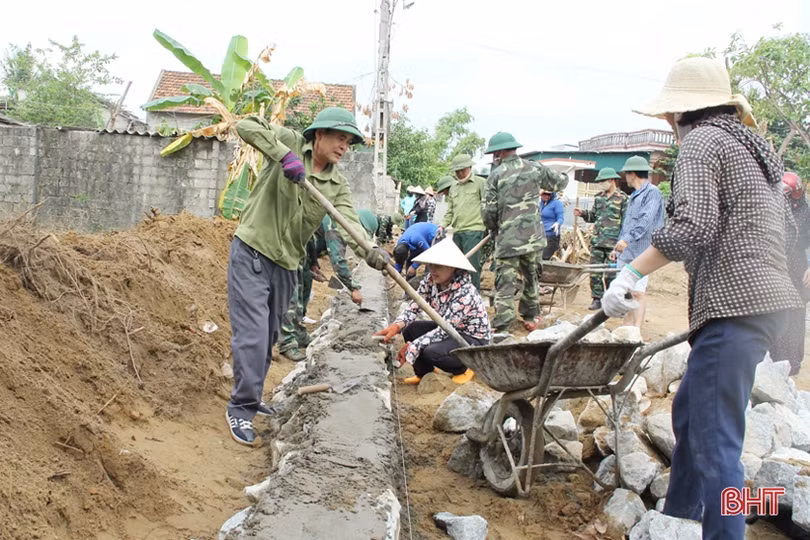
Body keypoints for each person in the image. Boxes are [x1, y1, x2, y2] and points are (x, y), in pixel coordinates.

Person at [602, 57, 803, 540]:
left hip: (735, 309)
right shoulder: (752, 150)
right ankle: (683, 516)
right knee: (691, 412)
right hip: (766, 306)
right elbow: (788, 232)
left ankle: (724, 530)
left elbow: (692, 227)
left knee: (718, 445)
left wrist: (628, 273)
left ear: (676, 114)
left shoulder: (702, 143)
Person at [227, 107, 390, 446]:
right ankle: (240, 408)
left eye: (349, 142)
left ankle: (254, 397)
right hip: (254, 251)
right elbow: (245, 125)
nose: (344, 147)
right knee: (253, 334)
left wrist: (371, 252)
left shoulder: (336, 184)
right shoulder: (288, 141)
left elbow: (351, 225)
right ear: (319, 135)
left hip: (287, 263)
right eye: (340, 139)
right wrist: (283, 155)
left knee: (270, 334)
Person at [482, 131, 568, 332]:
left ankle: (503, 324)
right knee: (531, 277)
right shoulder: (534, 168)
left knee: (506, 281)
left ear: (500, 152)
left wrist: (494, 228)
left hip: (508, 240)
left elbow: (488, 212)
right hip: (533, 238)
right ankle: (530, 318)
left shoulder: (495, 175)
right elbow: (560, 183)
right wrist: (563, 175)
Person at [374, 238, 490, 385]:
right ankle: (425, 374)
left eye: (438, 266)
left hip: (471, 338)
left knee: (431, 352)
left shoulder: (464, 292)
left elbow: (445, 329)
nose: (432, 270)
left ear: (452, 267)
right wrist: (396, 326)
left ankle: (464, 367)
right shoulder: (431, 281)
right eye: (431, 265)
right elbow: (415, 305)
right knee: (411, 330)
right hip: (449, 329)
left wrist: (412, 347)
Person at [278, 210, 378, 361]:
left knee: (302, 290)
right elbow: (338, 262)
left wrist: (312, 263)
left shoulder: (338, 223)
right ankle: (286, 342)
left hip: (302, 250)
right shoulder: (337, 226)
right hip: (289, 247)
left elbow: (311, 238)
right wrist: (354, 288)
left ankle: (299, 334)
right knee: (292, 295)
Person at [610, 155, 664, 328]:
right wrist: (618, 246)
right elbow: (627, 225)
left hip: (642, 251)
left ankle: (637, 330)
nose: (625, 177)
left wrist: (627, 239)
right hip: (627, 251)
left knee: (638, 292)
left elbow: (645, 220)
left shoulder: (652, 193)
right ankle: (626, 327)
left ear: (632, 174)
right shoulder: (633, 196)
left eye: (626, 173)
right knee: (626, 291)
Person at [770, 171, 810, 375]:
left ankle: (792, 363)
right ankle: (773, 359)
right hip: (776, 269)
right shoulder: (773, 209)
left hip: (799, 273)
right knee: (775, 314)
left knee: (795, 317)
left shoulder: (805, 211)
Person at [575, 167, 627, 310]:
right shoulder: (599, 198)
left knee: (611, 274)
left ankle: (611, 301)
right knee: (595, 272)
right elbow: (593, 216)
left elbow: (626, 222)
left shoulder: (623, 198)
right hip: (598, 241)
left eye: (603, 181)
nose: (601, 184)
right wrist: (583, 214)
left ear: (611, 180)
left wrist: (622, 241)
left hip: (613, 243)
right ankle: (597, 299)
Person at [441, 154, 487, 290]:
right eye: (457, 171)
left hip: (474, 231)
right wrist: (442, 224)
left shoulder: (480, 183)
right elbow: (450, 211)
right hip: (457, 231)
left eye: (463, 170)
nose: (460, 174)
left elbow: (487, 206)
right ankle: (459, 296)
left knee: (471, 266)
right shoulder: (454, 187)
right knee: (456, 266)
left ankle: (474, 300)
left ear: (470, 167)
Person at [538, 190, 564, 260]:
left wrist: (558, 223)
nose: (546, 196)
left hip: (551, 235)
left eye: (548, 194)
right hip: (541, 234)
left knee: (544, 257)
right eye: (544, 194)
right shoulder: (541, 204)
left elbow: (561, 217)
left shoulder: (556, 203)